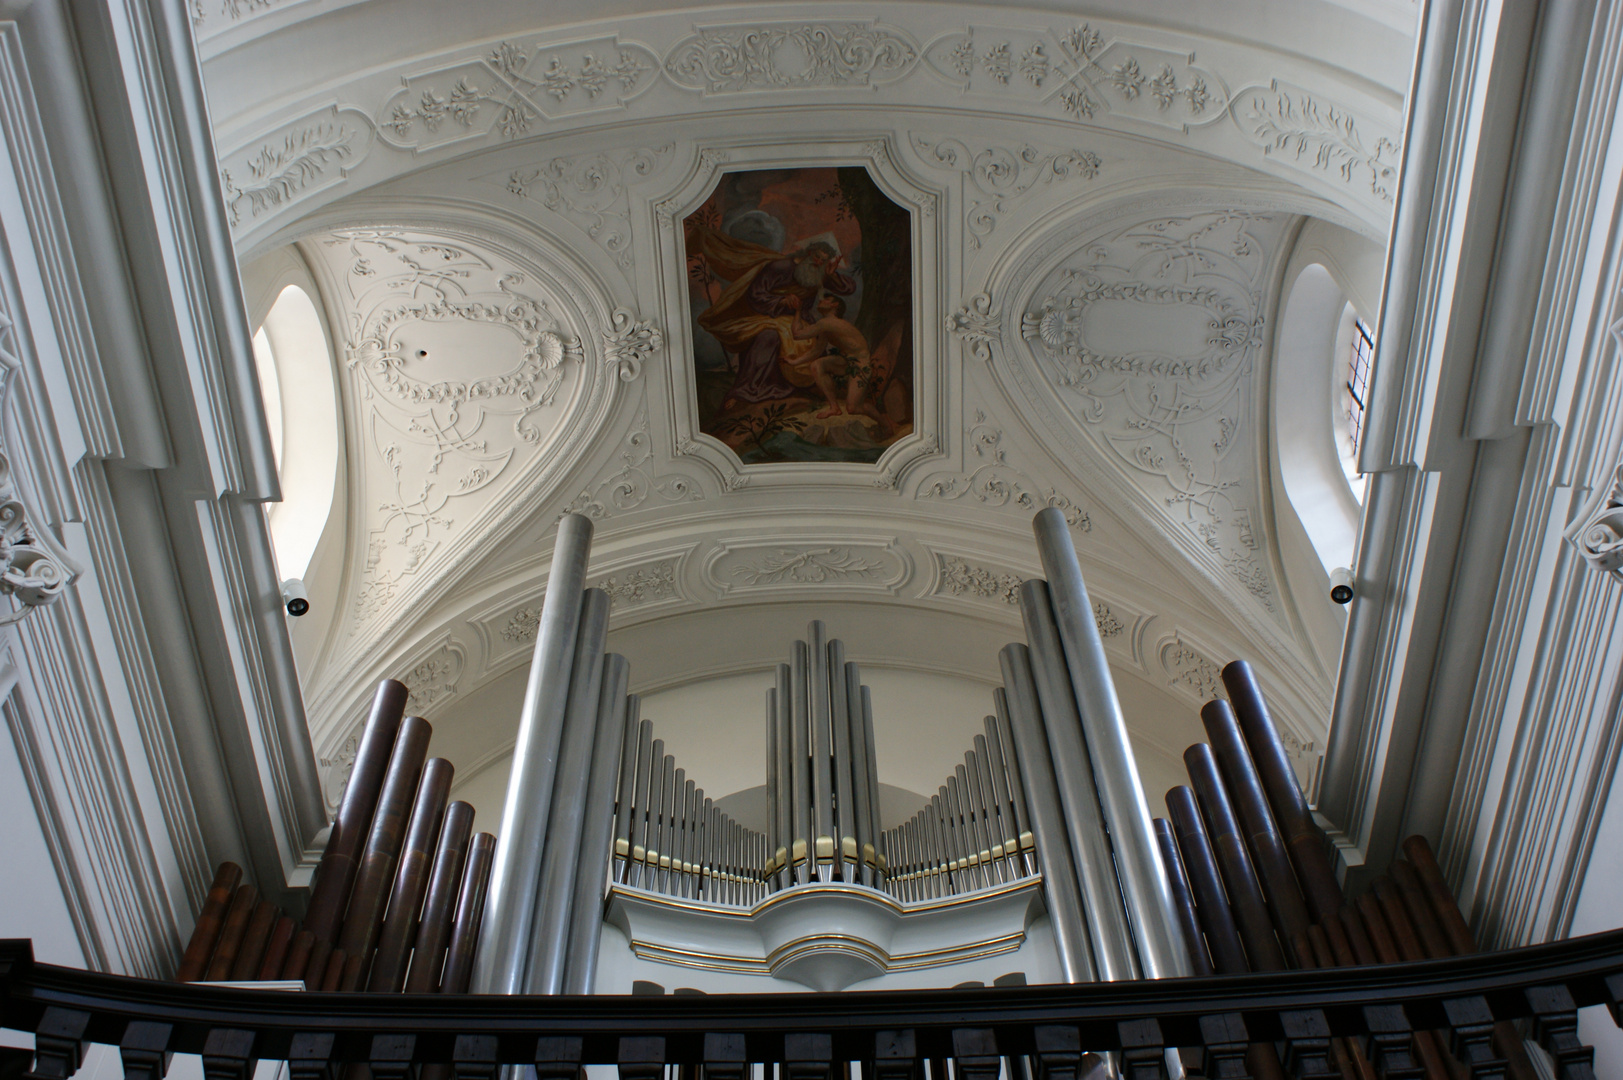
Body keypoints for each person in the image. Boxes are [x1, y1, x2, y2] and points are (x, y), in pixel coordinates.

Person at [684, 221, 855, 406]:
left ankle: (803, 387)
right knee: (768, 337)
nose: (818, 262)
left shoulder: (819, 272)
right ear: (808, 252)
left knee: (813, 340)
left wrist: (832, 275)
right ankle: (748, 391)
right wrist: (781, 301)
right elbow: (755, 294)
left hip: (802, 320)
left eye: (823, 260)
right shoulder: (780, 267)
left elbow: (849, 288)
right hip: (769, 316)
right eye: (817, 256)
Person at [792, 295, 892, 436]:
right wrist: (794, 362)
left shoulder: (827, 323)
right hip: (846, 362)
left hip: (860, 365)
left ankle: (884, 424)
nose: (820, 301)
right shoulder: (826, 326)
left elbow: (797, 334)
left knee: (853, 408)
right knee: (817, 365)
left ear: (835, 305)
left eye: (826, 299)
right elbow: (816, 351)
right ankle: (834, 407)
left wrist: (797, 311)